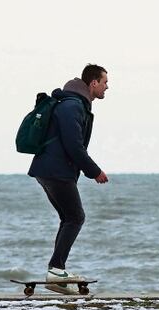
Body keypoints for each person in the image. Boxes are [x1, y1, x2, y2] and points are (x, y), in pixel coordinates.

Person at [28, 63, 109, 294]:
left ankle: (57, 270)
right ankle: (56, 270)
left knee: (69, 218)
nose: (107, 87)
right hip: (56, 170)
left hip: (51, 170)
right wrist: (95, 172)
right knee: (75, 217)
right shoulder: (73, 106)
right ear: (93, 83)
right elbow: (73, 145)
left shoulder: (75, 103)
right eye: (105, 82)